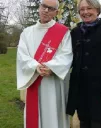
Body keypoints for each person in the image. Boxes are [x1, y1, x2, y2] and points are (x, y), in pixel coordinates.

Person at [16, 0, 73, 128]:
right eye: (44, 6)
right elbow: (22, 56)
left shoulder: (63, 32)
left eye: (51, 8)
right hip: (34, 79)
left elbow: (67, 54)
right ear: (40, 7)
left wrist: (52, 68)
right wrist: (36, 67)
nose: (46, 10)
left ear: (56, 12)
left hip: (54, 81)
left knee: (54, 112)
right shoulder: (27, 32)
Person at [66, 0, 101, 128]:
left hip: (100, 88)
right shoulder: (75, 32)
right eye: (82, 9)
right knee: (83, 120)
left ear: (97, 10)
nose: (85, 12)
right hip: (80, 87)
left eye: (89, 8)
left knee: (98, 122)